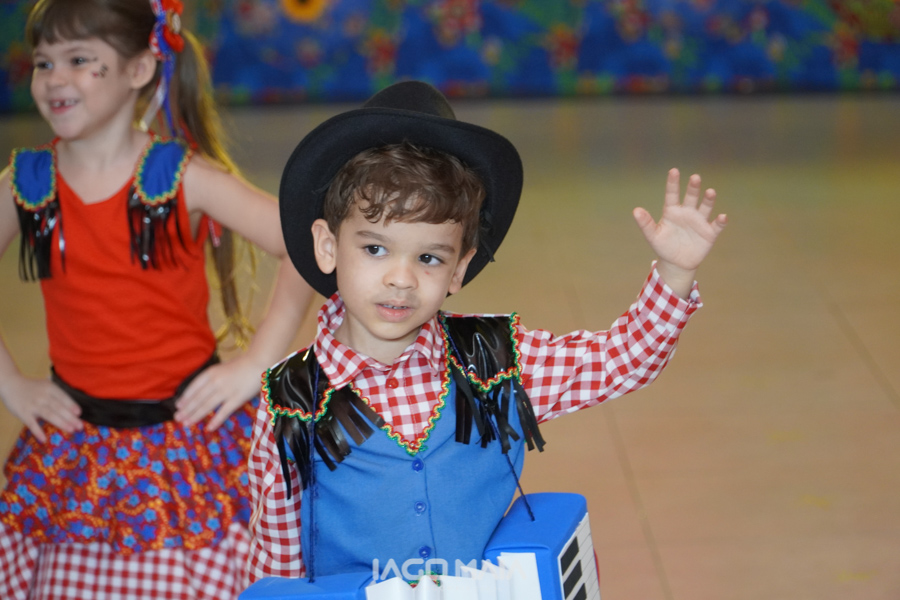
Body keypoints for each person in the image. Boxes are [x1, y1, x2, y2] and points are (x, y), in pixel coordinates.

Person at [246, 80, 727, 583]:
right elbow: (277, 560)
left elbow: (620, 360)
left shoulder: (495, 361)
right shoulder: (290, 399)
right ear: (328, 246)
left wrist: (675, 272)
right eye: (375, 249)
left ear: (459, 269)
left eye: (429, 258)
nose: (401, 279)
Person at [0, 0, 315, 598]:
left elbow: (303, 245)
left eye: (79, 60)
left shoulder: (181, 178)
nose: (54, 79)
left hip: (187, 439)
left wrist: (257, 363)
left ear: (140, 69)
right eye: (43, 63)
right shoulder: (27, 182)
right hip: (75, 443)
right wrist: (11, 384)